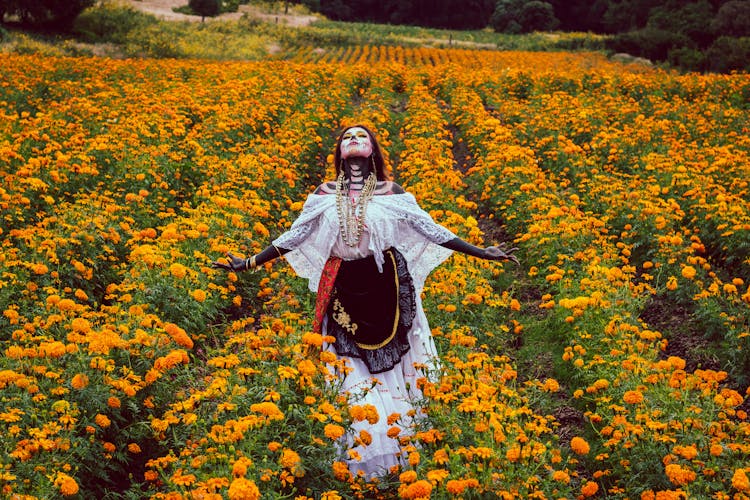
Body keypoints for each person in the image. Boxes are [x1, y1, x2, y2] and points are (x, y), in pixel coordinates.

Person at [212, 124, 518, 479]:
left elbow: (431, 229)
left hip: (386, 285)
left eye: (361, 136)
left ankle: (407, 443)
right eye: (346, 137)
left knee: (399, 365)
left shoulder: (392, 192)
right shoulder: (324, 194)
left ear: (373, 149)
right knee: (347, 363)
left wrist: (481, 252)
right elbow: (296, 234)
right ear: (339, 152)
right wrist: (249, 261)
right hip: (343, 288)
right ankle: (364, 446)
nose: (354, 140)